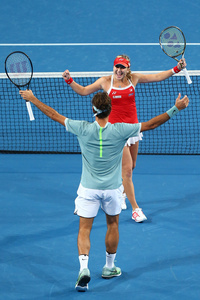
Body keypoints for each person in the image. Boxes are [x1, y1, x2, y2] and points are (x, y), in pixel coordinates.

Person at [19, 89, 189, 292]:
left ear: (93, 110)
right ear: (110, 109)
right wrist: (175, 109)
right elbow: (151, 124)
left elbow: (54, 114)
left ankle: (83, 268)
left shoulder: (81, 128)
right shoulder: (121, 130)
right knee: (113, 225)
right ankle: (109, 267)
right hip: (112, 190)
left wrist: (33, 98)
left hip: (88, 190)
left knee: (84, 229)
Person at [62, 55, 187, 222]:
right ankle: (136, 209)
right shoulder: (105, 81)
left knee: (132, 166)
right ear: (113, 67)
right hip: (115, 133)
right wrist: (69, 80)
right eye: (117, 67)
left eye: (122, 67)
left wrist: (176, 69)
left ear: (128, 69)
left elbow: (157, 77)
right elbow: (84, 91)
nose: (119, 70)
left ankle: (121, 191)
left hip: (132, 129)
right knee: (126, 171)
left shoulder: (134, 79)